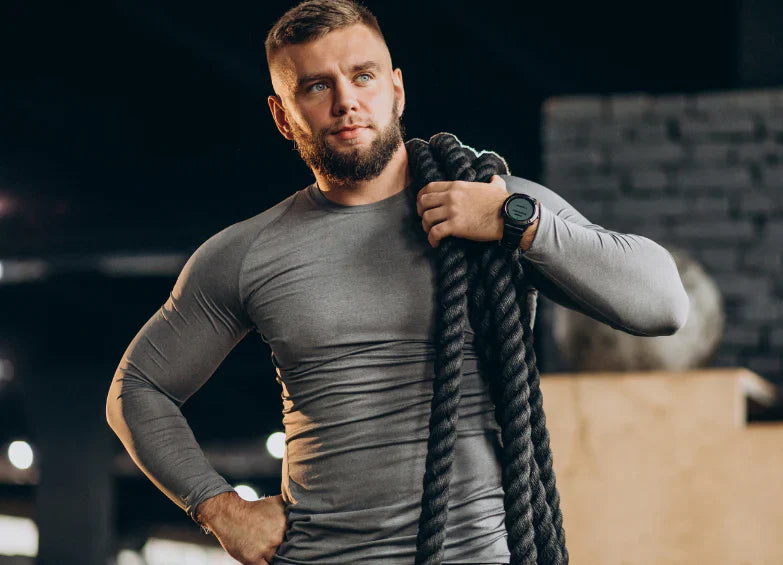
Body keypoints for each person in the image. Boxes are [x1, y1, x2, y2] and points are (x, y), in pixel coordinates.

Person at [105, 0, 690, 563]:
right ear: (283, 116)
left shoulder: (494, 205)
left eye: (363, 76)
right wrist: (221, 510)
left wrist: (518, 224)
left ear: (397, 89)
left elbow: (662, 305)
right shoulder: (246, 252)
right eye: (316, 86)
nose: (346, 102)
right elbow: (137, 390)